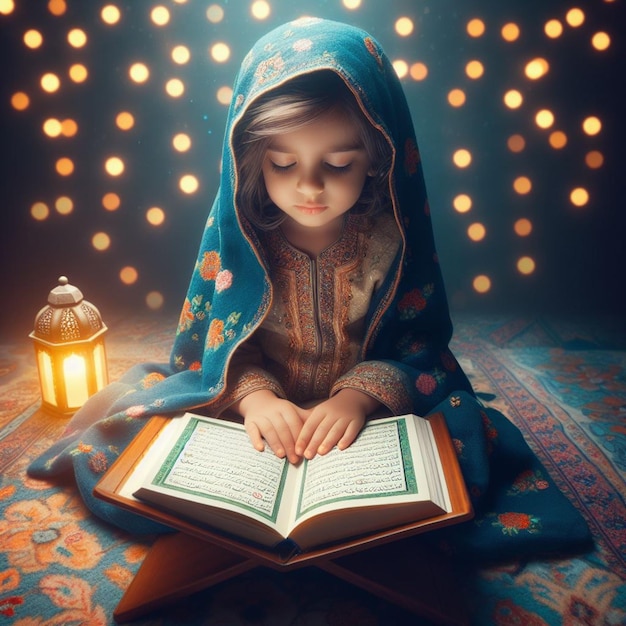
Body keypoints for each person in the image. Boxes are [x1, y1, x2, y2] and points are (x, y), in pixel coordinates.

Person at [28, 18, 590, 559]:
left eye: (339, 163)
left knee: (463, 453)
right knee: (133, 450)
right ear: (252, 160)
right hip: (250, 421)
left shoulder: (387, 238)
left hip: (364, 427)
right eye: (283, 162)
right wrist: (255, 397)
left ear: (377, 157)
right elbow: (211, 347)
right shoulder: (244, 238)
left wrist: (358, 396)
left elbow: (418, 345)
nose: (310, 186)